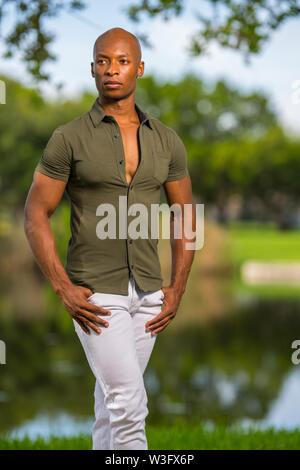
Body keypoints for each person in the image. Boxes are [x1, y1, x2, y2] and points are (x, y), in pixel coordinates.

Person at [24, 27, 196, 450]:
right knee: (130, 404)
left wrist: (177, 287)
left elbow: (185, 214)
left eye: (121, 61)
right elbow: (34, 213)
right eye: (102, 61)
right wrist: (63, 287)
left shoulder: (167, 141)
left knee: (111, 404)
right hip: (96, 295)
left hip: (150, 295)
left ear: (139, 68)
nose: (111, 70)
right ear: (92, 69)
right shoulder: (68, 137)